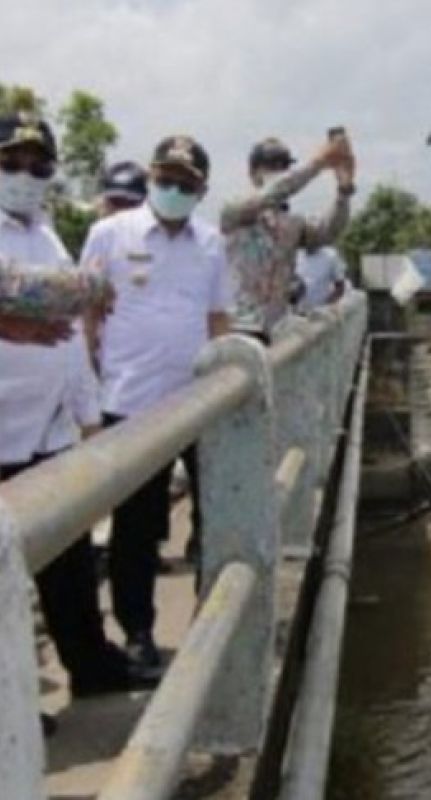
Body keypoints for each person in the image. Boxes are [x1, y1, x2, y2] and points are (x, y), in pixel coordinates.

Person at [0, 111, 150, 711]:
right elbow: (44, 289)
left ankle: (92, 665)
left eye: (38, 167)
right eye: (10, 164)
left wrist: (86, 420)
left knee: (67, 567)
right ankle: (13, 714)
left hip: (47, 432)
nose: (24, 176)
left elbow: (68, 333)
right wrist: (87, 287)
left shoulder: (44, 232)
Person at [80, 134, 232, 677]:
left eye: (185, 183)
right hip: (130, 402)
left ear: (202, 190)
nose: (172, 189)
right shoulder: (108, 234)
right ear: (149, 177)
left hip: (196, 402)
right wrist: (87, 394)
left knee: (217, 519)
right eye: (165, 178)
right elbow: (88, 316)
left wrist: (225, 385)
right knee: (136, 528)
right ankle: (138, 631)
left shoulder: (211, 243)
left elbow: (218, 319)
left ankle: (211, 621)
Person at [221, 132, 355, 341]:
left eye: (284, 166)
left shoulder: (292, 223)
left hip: (277, 330)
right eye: (271, 166)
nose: (279, 172)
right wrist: (319, 162)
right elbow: (274, 191)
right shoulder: (235, 211)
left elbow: (327, 233)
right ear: (253, 173)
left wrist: (344, 191)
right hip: (238, 327)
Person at [295, 243, 347, 311]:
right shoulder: (296, 255)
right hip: (298, 313)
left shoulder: (331, 255)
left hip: (321, 313)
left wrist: (326, 307)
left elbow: (340, 287)